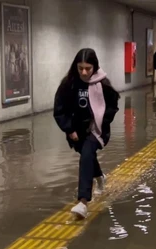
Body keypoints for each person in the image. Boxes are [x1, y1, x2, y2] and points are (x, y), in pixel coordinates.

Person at [53, 48, 120, 219]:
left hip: (97, 130)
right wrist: (69, 129)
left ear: (94, 67)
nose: (84, 72)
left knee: (86, 155)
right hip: (76, 131)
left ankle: (83, 202)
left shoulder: (103, 84)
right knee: (87, 154)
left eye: (88, 68)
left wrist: (100, 123)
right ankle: (100, 176)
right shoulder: (68, 84)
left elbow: (113, 106)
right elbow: (59, 110)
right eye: (80, 68)